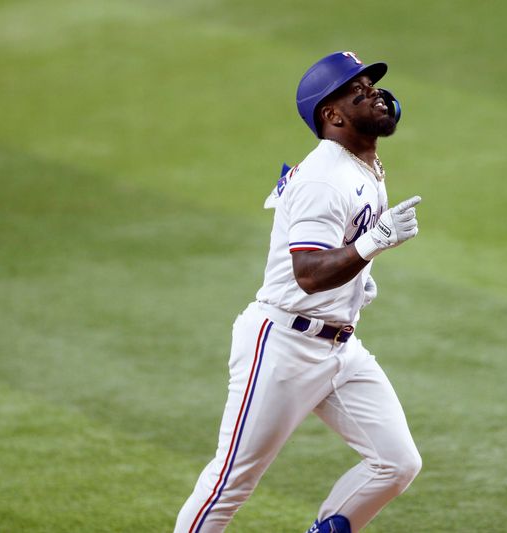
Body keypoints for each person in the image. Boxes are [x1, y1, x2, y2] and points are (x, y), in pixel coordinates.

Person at [174, 51, 423, 533]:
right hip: (282, 348)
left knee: (396, 464)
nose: (375, 95)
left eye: (372, 86)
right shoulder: (323, 177)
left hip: (339, 348)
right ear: (332, 116)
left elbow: (337, 253)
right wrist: (371, 244)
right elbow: (307, 272)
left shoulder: (364, 165)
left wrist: (358, 273)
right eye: (360, 92)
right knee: (231, 483)